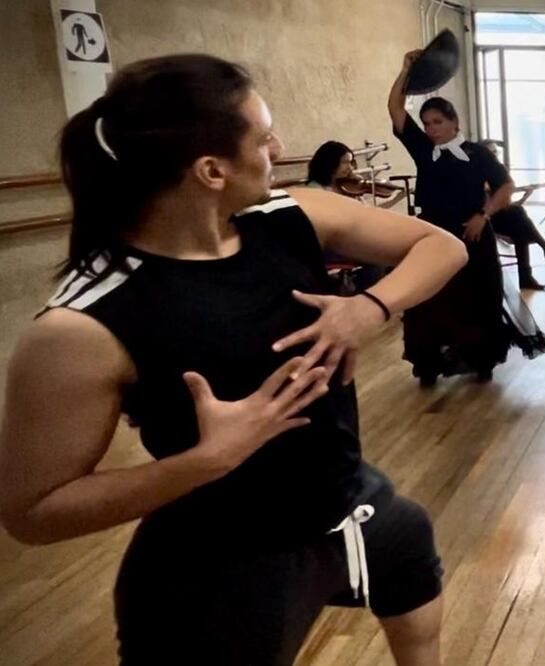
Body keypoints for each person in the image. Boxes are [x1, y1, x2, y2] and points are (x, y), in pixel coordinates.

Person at [0, 54, 467, 665]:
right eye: (263, 135)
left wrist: (368, 309)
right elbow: (32, 514)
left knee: (413, 569)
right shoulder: (81, 324)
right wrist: (207, 460)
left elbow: (442, 247)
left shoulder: (291, 216)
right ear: (212, 170)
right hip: (224, 558)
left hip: (347, 502)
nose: (278, 147)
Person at [389, 51, 545, 386]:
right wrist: (405, 72)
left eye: (438, 122)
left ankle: (481, 360)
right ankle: (429, 363)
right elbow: (395, 108)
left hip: (473, 234)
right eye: (427, 123)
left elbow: (506, 186)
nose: (431, 129)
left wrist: (484, 214)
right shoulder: (423, 149)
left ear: (455, 123)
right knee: (429, 297)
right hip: (433, 235)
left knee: (479, 297)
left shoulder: (478, 154)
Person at [478, 139, 545, 291]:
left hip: (501, 216)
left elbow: (508, 206)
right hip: (483, 218)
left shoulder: (499, 172)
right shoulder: (476, 172)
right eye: (491, 152)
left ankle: (528, 275)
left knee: (520, 228)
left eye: (496, 152)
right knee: (518, 214)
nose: (494, 155)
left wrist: (525, 196)